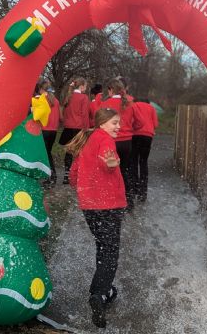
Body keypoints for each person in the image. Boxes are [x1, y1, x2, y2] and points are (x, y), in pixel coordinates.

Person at [66, 108, 126, 328]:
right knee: (110, 251)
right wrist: (110, 164)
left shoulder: (86, 141)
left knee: (102, 246)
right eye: (114, 123)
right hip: (108, 206)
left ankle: (101, 289)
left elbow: (73, 176)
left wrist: (87, 187)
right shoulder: (105, 139)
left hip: (90, 207)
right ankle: (99, 294)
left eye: (118, 123)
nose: (118, 126)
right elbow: (107, 160)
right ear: (102, 124)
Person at [100, 78, 141, 210]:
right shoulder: (130, 103)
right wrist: (130, 129)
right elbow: (140, 122)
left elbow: (98, 122)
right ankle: (128, 202)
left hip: (111, 142)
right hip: (127, 142)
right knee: (125, 172)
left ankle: (111, 202)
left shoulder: (105, 104)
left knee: (109, 172)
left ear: (111, 90)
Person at [58, 77, 89, 184]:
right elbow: (84, 114)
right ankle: (77, 175)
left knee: (69, 152)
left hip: (68, 128)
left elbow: (63, 112)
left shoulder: (69, 96)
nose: (86, 88)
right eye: (85, 86)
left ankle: (66, 175)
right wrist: (86, 129)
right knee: (78, 153)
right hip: (78, 128)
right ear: (82, 86)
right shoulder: (84, 97)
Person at [130, 98, 158, 202]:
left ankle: (134, 189)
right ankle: (143, 193)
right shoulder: (151, 108)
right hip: (147, 136)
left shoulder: (133, 106)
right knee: (143, 162)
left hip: (135, 135)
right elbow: (155, 124)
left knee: (133, 162)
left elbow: (131, 121)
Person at [38, 79, 61, 187]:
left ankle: (51, 176)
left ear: (41, 89)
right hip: (53, 131)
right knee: (48, 153)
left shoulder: (42, 99)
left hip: (44, 130)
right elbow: (59, 116)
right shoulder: (56, 101)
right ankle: (52, 176)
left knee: (45, 155)